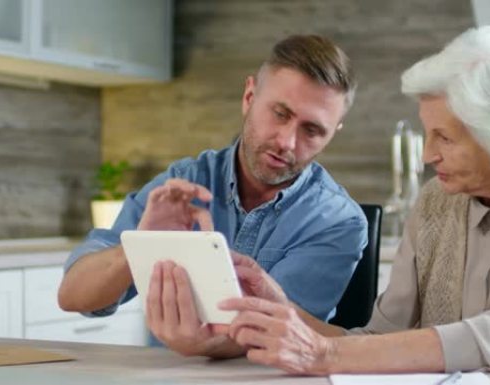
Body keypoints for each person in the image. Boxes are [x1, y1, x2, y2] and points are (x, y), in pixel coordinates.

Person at [217, 25, 490, 374]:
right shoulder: (434, 204)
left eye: (444, 137)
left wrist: (326, 353)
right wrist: (283, 311)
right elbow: (380, 339)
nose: (428, 155)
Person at [58, 34, 368, 358]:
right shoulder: (184, 182)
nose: (287, 142)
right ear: (249, 96)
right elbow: (73, 295)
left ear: (332, 133)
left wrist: (200, 346)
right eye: (280, 113)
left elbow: (278, 332)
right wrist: (138, 245)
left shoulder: (338, 220)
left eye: (312, 130)